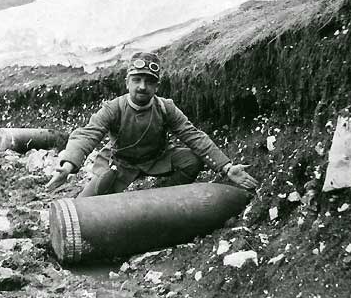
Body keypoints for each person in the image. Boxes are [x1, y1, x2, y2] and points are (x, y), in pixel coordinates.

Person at [46, 52, 258, 196]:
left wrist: (226, 167)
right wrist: (68, 165)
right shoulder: (113, 108)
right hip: (121, 164)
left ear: (156, 86)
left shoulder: (166, 107)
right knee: (87, 202)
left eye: (149, 81)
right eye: (137, 80)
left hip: (157, 159)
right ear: (127, 82)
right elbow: (86, 135)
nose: (142, 87)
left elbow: (194, 136)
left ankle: (163, 194)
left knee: (192, 160)